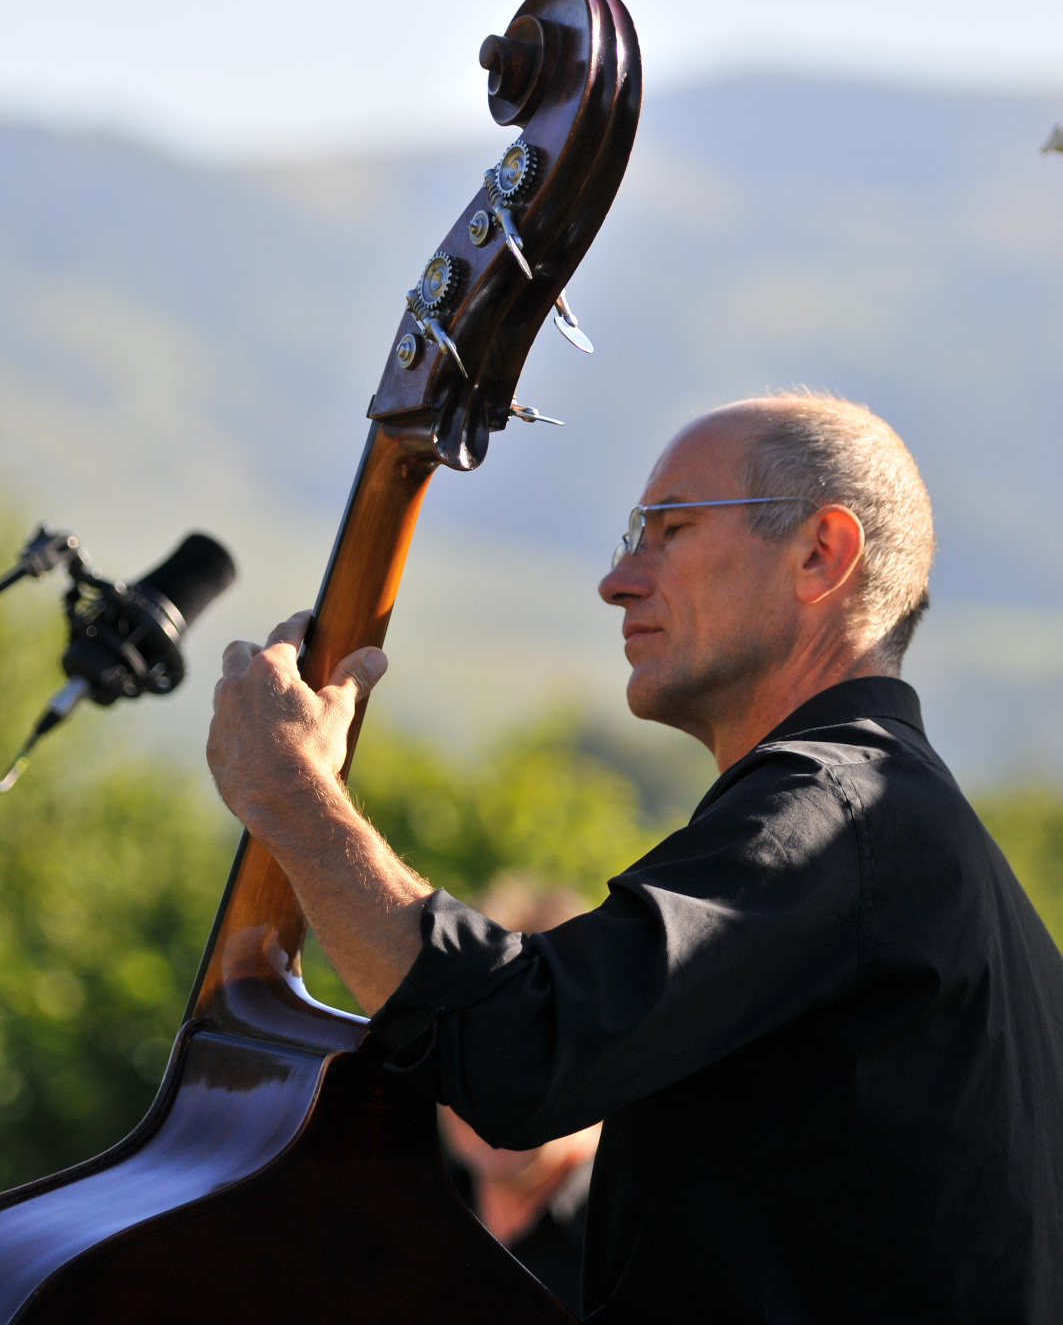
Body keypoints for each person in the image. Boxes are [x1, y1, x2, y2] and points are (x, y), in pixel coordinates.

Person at [208, 392, 1063, 1323]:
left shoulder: (841, 813)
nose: (617, 579)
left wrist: (292, 795)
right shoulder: (916, 844)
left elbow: (517, 1052)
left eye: (669, 530)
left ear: (822, 553)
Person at [439, 877, 600, 1315]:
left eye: (529, 1050)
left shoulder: (651, 1248)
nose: (492, 1082)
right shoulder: (394, 1212)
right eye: (467, 1047)